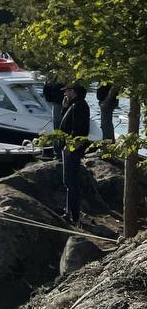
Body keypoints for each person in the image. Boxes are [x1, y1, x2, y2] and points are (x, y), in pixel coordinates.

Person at [60, 83, 90, 224]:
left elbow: (77, 129)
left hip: (73, 149)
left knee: (70, 181)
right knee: (68, 181)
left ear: (73, 91)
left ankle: (74, 216)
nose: (65, 93)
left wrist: (70, 145)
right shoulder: (74, 105)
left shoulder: (79, 106)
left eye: (67, 91)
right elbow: (66, 122)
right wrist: (64, 107)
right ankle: (69, 212)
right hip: (71, 147)